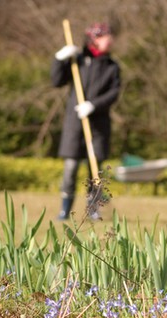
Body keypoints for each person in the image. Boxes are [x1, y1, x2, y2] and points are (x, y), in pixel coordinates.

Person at [51, 22, 121, 220]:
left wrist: (93, 105)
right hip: (75, 124)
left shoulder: (112, 66)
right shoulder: (78, 61)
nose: (110, 40)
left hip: (98, 125)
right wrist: (59, 59)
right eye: (106, 36)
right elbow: (56, 81)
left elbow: (114, 93)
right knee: (71, 167)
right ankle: (65, 209)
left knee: (95, 168)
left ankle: (93, 209)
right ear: (95, 39)